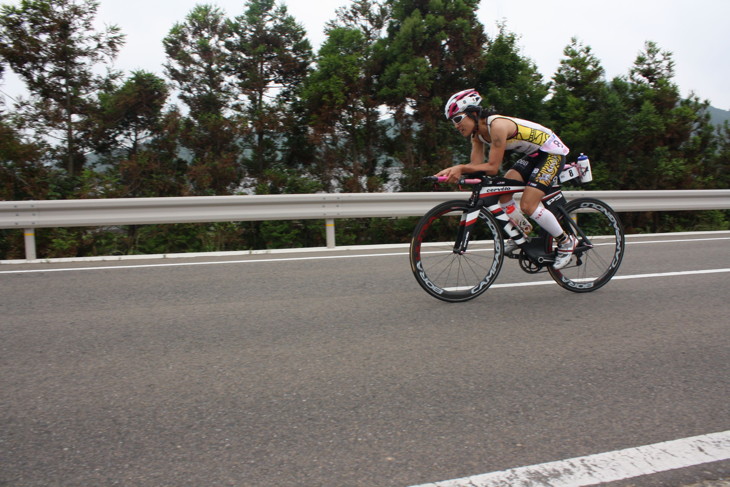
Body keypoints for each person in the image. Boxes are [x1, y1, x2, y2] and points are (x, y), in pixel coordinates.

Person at [437, 88, 577, 270]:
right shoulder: (477, 135)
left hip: (551, 153)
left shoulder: (497, 126)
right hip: (534, 155)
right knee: (504, 194)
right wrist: (456, 174)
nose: (456, 125)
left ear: (472, 113)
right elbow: (478, 167)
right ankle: (523, 232)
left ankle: (566, 241)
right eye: (452, 122)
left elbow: (492, 167)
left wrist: (461, 168)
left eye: (457, 119)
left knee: (528, 205)